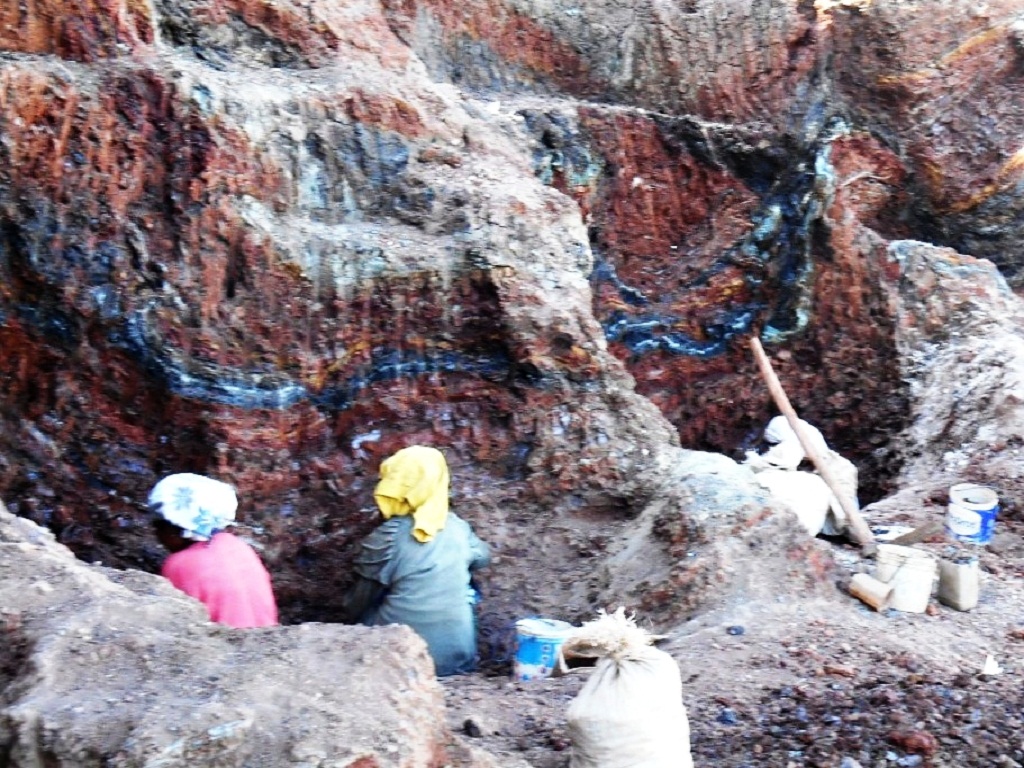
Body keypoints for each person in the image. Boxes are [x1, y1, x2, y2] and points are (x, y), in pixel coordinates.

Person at [340, 445, 491, 676]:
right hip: (458, 660)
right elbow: (483, 558)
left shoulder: (387, 537)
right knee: (468, 591)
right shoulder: (457, 528)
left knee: (368, 609)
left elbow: (356, 603)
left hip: (400, 661)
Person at [149, 472, 278, 629]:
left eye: (159, 525)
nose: (155, 532)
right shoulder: (239, 547)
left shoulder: (178, 564)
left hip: (225, 643)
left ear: (177, 528)